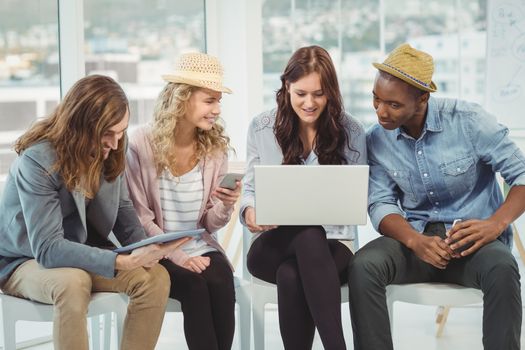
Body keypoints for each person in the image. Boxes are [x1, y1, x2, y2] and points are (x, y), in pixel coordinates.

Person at [348, 43, 525, 350]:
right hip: (415, 241)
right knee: (364, 266)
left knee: (503, 269)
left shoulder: (468, 121)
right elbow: (380, 203)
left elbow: (521, 175)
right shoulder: (376, 139)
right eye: (376, 100)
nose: (380, 112)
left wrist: (495, 225)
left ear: (422, 98)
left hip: (474, 242)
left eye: (393, 104)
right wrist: (415, 241)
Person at [0, 75, 190, 350]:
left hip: (82, 252)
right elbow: (48, 248)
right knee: (72, 281)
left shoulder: (110, 152)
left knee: (155, 277)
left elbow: (124, 212)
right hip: (25, 260)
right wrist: (121, 262)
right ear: (80, 126)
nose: (115, 143)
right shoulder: (38, 161)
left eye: (121, 131)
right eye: (107, 134)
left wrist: (148, 248)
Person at [240, 45, 367, 350]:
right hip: (270, 247)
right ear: (286, 87)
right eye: (300, 93)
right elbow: (249, 190)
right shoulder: (261, 127)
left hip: (333, 248)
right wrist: (250, 213)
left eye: (319, 94)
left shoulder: (351, 132)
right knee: (308, 234)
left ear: (331, 93)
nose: (309, 103)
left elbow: (359, 197)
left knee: (291, 274)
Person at [126, 52, 240, 350]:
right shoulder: (141, 144)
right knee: (195, 288)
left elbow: (208, 224)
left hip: (198, 246)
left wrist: (225, 205)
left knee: (222, 280)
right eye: (209, 100)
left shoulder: (214, 149)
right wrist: (178, 256)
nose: (216, 110)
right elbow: (140, 220)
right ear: (182, 98)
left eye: (218, 101)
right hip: (155, 251)